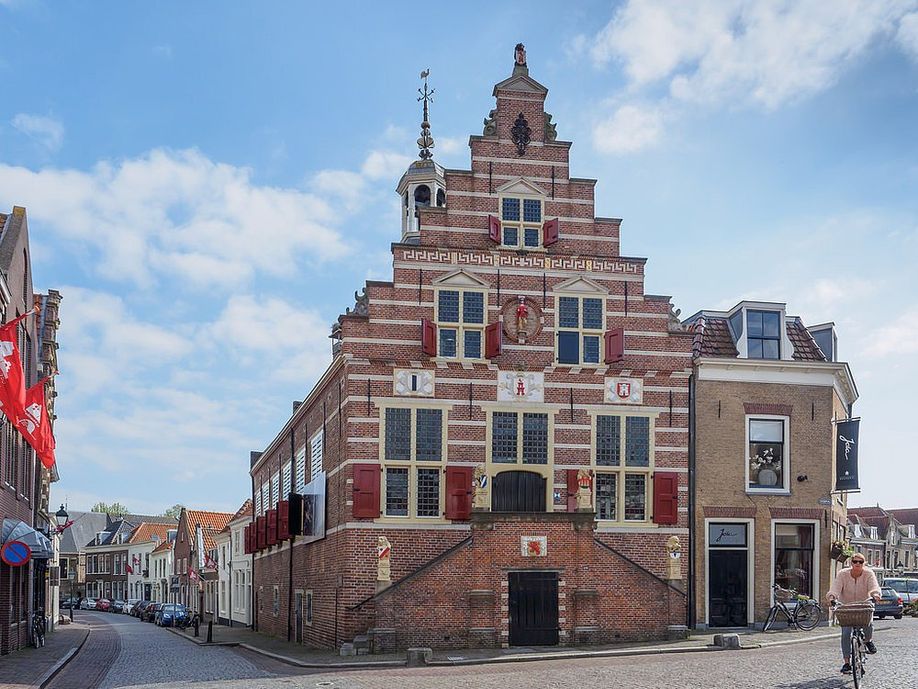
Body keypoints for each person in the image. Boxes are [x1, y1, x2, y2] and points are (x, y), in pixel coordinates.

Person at [826, 553, 881, 674]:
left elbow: (874, 586)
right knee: (846, 633)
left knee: (868, 624)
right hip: (847, 608)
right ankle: (846, 663)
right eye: (855, 561)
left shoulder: (869, 574)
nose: (857, 564)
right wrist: (832, 597)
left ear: (864, 563)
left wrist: (875, 594)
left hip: (863, 607)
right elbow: (835, 588)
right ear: (851, 563)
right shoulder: (842, 574)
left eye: (860, 562)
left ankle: (868, 641)